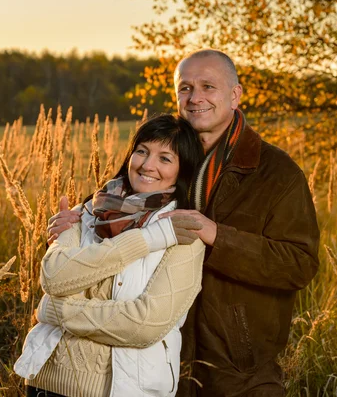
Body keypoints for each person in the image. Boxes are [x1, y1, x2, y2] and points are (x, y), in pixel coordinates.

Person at [48, 50, 320, 397]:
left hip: (237, 368)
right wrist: (71, 226)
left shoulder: (276, 173)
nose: (195, 98)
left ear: (235, 95)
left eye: (209, 86)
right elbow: (106, 210)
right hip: (151, 363)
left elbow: (299, 264)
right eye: (185, 88)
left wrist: (217, 236)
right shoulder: (163, 155)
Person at [14, 114, 206, 396]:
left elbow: (145, 324)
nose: (147, 165)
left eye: (165, 158)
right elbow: (54, 277)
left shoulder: (184, 232)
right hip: (47, 383)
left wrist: (58, 310)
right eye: (141, 151)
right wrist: (148, 239)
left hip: (124, 389)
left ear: (183, 170)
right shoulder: (88, 210)